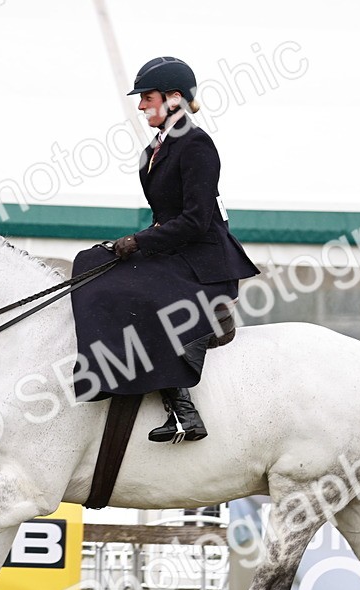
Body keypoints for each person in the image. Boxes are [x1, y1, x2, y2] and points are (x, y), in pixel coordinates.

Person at [70, 56, 259, 443]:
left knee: (133, 291)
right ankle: (107, 373)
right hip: (175, 251)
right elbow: (165, 218)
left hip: (205, 263)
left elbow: (196, 221)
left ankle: (184, 412)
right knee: (90, 262)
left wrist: (139, 242)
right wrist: (135, 242)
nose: (141, 106)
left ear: (174, 98)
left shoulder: (197, 145)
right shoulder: (154, 150)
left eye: (147, 97)